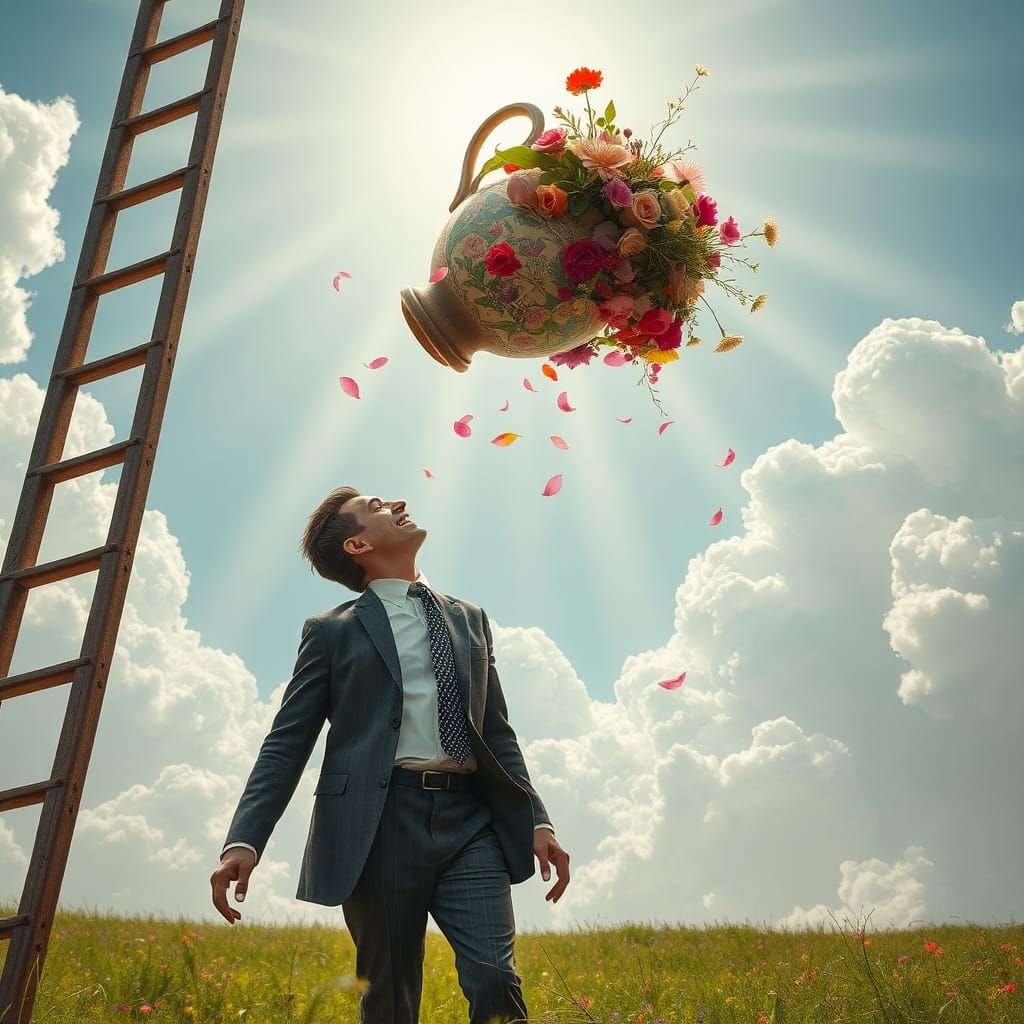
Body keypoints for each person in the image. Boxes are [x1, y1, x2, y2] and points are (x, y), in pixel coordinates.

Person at [210, 485, 570, 1024]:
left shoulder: (469, 618)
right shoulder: (332, 632)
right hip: (377, 827)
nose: (398, 505)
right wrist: (245, 838)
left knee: (497, 979)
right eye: (377, 508)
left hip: (471, 821)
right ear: (356, 546)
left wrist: (537, 819)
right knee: (391, 998)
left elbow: (497, 732)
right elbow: (286, 741)